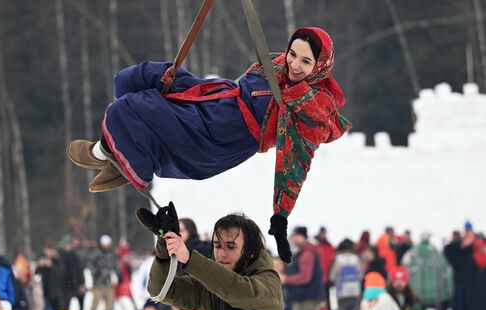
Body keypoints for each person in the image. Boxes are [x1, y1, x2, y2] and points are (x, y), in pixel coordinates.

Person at [68, 26, 351, 263]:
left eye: (305, 62)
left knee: (134, 108)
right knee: (139, 77)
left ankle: (105, 152)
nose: (294, 64)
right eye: (293, 54)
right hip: (217, 97)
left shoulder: (312, 106)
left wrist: (280, 218)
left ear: (320, 67)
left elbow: (296, 161)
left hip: (217, 135)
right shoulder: (278, 65)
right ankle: (118, 156)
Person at [145, 207, 296, 310]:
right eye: (217, 246)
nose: (222, 254)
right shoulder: (206, 284)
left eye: (231, 246)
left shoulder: (267, 279)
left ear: (250, 251)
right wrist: (164, 247)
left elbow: (241, 292)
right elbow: (160, 291)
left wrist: (190, 260)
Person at [281, 226, 323, 310]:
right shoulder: (304, 252)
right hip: (304, 296)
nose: (292, 239)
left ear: (301, 236)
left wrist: (286, 279)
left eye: (295, 236)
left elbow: (305, 277)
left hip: (305, 297)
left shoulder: (306, 253)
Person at [329, 238, 362, 310]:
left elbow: (332, 276)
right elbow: (361, 274)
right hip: (355, 291)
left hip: (342, 292)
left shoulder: (338, 259)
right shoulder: (356, 258)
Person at [88, 234, 118, 310]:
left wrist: (118, 274)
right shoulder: (95, 254)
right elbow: (90, 266)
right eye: (105, 245)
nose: (107, 246)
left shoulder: (111, 255)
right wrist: (97, 272)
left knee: (110, 304)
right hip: (98, 284)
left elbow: (115, 266)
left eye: (108, 244)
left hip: (108, 283)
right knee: (95, 304)